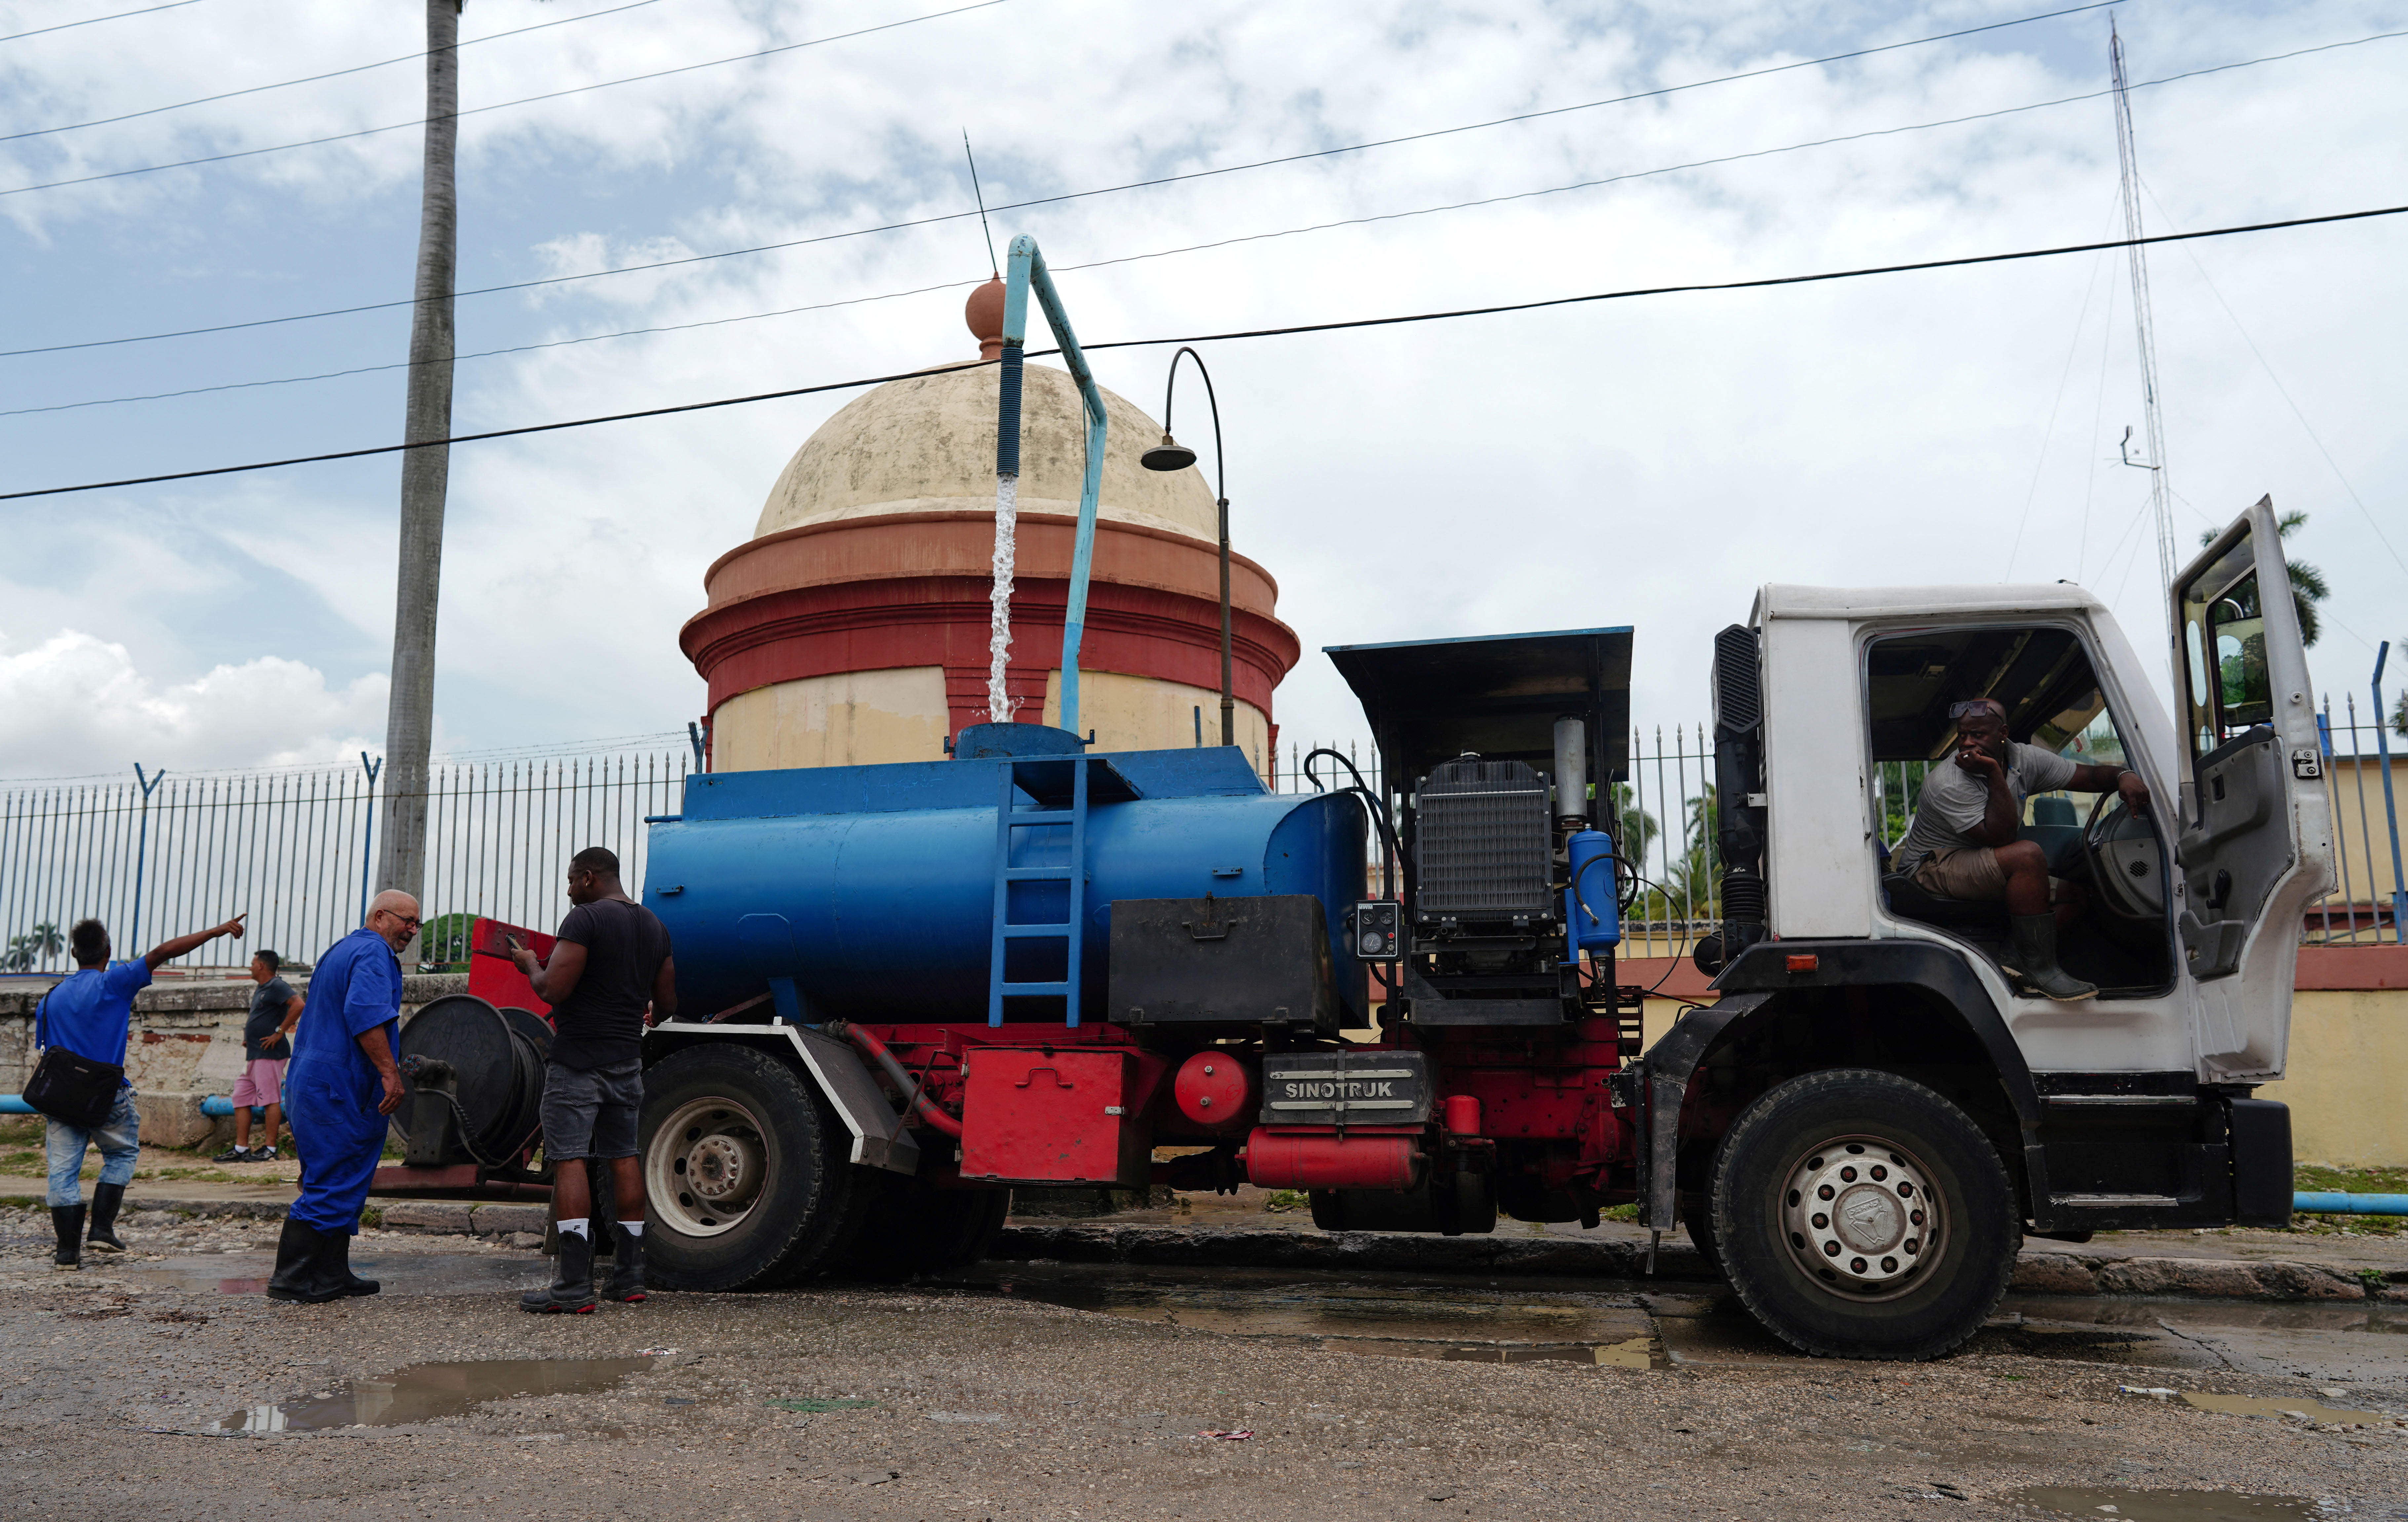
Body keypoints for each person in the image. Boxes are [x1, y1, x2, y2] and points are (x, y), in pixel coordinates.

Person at [1889, 697, 2151, 1001]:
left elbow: (2088, 776)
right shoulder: (1949, 781)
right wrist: (1993, 773)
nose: (1967, 743)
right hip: (1929, 866)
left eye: (1978, 734)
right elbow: (2001, 837)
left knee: (2075, 897)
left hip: (1969, 858)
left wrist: (2124, 776)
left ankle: (2014, 960)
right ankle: (2038, 970)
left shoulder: (2023, 758)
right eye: (1962, 735)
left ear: (2002, 732)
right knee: (2026, 856)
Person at [508, 846, 676, 1313]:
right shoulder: (654, 926)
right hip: (626, 1062)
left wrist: (530, 965)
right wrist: (649, 1014)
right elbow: (666, 1001)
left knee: (570, 1160)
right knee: (624, 1158)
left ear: (587, 877)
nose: (567, 890)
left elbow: (552, 989)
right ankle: (630, 1277)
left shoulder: (584, 920)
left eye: (569, 880)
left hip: (578, 1062)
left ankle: (573, 1286)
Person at [37, 912, 248, 1270]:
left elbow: (44, 1050)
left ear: (74, 954)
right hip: (106, 1095)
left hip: (61, 1099)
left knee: (62, 1173)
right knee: (120, 1156)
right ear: (108, 952)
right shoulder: (115, 983)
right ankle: (102, 1229)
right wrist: (215, 931)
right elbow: (162, 952)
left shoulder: (51, 998)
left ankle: (67, 1253)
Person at [266, 892, 411, 1304]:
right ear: (381, 916)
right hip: (337, 1084)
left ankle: (331, 1274)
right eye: (407, 922)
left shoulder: (343, 949)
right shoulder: (373, 954)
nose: (413, 931)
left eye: (417, 925)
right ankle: (291, 1278)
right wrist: (390, 1073)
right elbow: (365, 1013)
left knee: (342, 1177)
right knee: (333, 1180)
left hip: (318, 1080)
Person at [215, 949, 303, 1163]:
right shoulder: (262, 988)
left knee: (270, 1099)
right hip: (255, 1053)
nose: (250, 966)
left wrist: (279, 1032)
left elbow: (299, 1004)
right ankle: (241, 1148)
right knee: (240, 1096)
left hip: (270, 1054)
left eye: (253, 963)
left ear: (262, 966)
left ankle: (270, 1148)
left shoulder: (276, 985)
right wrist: (250, 1037)